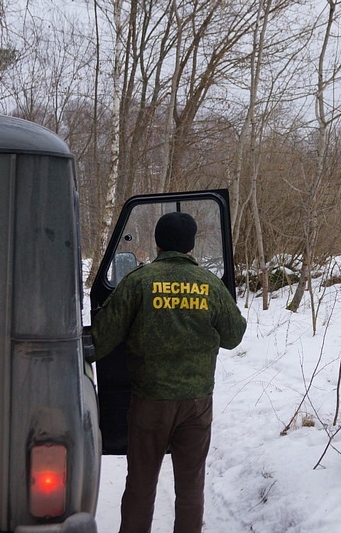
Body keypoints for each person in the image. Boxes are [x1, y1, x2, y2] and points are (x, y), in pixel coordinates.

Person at [91, 211, 247, 533]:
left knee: (141, 486)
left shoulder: (138, 282)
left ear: (158, 244)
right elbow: (234, 337)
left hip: (150, 402)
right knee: (190, 489)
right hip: (196, 404)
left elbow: (102, 337)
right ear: (190, 247)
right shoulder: (210, 285)